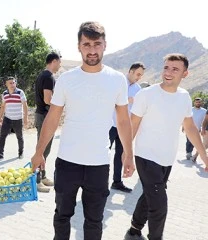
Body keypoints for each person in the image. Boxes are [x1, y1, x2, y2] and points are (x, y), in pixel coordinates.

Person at [31, 21, 134, 240]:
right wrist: (39, 152)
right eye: (86, 44)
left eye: (97, 44)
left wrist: (128, 154)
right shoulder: (67, 79)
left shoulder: (117, 80)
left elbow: (124, 121)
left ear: (105, 45)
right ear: (79, 46)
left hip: (98, 164)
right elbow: (52, 118)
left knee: (95, 221)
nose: (92, 50)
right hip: (67, 162)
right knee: (62, 216)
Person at [124, 53, 208, 240]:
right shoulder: (146, 94)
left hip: (166, 160)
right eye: (166, 67)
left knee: (150, 196)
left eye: (175, 69)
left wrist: (203, 155)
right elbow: (132, 125)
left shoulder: (184, 96)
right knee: (159, 204)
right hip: (146, 157)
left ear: (185, 74)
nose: (169, 72)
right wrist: (127, 155)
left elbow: (190, 128)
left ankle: (133, 230)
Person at [109, 62, 145, 193]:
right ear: (130, 71)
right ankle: (96, 181)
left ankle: (117, 182)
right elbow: (106, 100)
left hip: (125, 127)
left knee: (120, 154)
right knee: (102, 152)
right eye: (138, 74)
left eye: (141, 75)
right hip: (110, 125)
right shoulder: (117, 82)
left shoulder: (138, 89)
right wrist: (125, 100)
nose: (139, 77)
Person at [34, 52, 61, 193]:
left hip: (42, 115)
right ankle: (36, 180)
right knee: (42, 149)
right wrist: (59, 106)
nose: (60, 65)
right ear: (54, 61)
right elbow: (47, 99)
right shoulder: (48, 77)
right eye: (59, 62)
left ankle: (42, 176)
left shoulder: (43, 75)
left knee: (45, 149)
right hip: (44, 116)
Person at [0, 76, 28, 161]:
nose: (12, 84)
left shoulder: (20, 92)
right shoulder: (4, 94)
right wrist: (0, 117)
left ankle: (21, 153)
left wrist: (26, 118)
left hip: (18, 118)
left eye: (13, 83)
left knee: (19, 136)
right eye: (10, 83)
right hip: (7, 118)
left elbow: (25, 105)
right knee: (2, 136)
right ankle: (0, 155)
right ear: (6, 84)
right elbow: (3, 106)